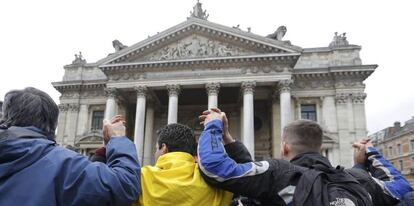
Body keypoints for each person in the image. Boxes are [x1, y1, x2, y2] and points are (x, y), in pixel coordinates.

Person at [198, 108, 413, 206]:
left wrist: (214, 125)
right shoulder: (358, 180)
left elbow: (215, 167)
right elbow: (400, 187)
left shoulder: (280, 175)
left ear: (284, 148)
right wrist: (369, 154)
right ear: (321, 147)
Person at [0, 87, 141, 206]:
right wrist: (118, 139)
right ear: (52, 125)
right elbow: (125, 185)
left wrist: (102, 152)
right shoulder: (62, 163)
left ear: (6, 117)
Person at [92, 123, 233, 205]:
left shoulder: (139, 178)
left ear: (164, 148)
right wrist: (228, 140)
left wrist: (107, 147)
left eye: (156, 149)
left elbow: (97, 187)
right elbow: (251, 180)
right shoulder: (218, 181)